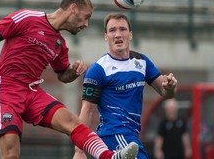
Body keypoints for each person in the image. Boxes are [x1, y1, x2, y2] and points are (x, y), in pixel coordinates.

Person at [0, 0, 137, 159]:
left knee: (74, 123)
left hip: (33, 92)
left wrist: (74, 72)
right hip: (5, 90)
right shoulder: (27, 18)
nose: (86, 24)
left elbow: (62, 75)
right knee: (11, 154)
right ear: (73, 9)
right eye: (86, 17)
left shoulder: (60, 44)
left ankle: (111, 157)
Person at [73, 13, 178, 159]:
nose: (117, 34)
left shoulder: (142, 62)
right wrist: (79, 151)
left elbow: (166, 92)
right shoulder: (98, 69)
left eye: (122, 29)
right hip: (114, 135)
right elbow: (87, 111)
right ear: (106, 36)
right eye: (112, 30)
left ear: (130, 34)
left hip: (131, 135)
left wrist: (170, 87)